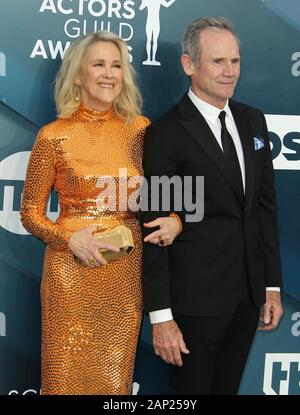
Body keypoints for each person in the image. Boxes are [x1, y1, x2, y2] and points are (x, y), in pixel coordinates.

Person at [20, 30, 180, 395]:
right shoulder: (53, 136)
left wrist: (176, 220)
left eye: (116, 65)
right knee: (63, 380)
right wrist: (67, 237)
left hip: (123, 275)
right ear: (78, 74)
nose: (109, 74)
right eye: (98, 64)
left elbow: (168, 197)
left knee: (113, 383)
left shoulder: (141, 130)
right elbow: (30, 211)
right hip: (69, 274)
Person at [141, 17, 283, 395]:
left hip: (248, 297)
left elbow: (264, 209)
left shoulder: (252, 120)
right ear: (189, 65)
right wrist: (161, 316)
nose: (229, 72)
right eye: (218, 61)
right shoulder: (166, 133)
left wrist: (270, 286)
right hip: (194, 304)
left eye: (235, 61)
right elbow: (154, 230)